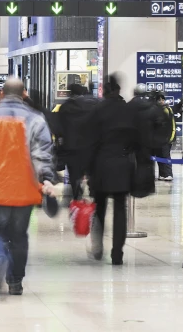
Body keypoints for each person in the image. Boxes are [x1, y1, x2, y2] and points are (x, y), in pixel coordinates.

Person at [0, 78, 55, 296]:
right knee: (19, 235)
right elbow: (42, 153)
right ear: (24, 93)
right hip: (24, 187)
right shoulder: (36, 119)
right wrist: (46, 178)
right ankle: (15, 282)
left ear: (1, 94)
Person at [87, 75, 139, 266]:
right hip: (122, 163)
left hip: (100, 164)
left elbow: (89, 140)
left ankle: (97, 246)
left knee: (99, 207)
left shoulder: (97, 110)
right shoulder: (127, 111)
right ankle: (117, 253)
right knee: (120, 208)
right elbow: (136, 138)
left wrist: (86, 168)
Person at [54, 84, 98, 200]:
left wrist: (60, 140)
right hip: (88, 145)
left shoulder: (64, 107)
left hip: (71, 146)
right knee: (90, 170)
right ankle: (93, 190)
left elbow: (59, 128)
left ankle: (76, 192)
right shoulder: (90, 106)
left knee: (74, 173)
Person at [154, 93, 176, 181]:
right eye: (159, 100)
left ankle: (169, 174)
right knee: (159, 155)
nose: (161, 101)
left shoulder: (168, 109)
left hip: (167, 138)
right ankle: (162, 174)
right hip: (157, 138)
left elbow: (173, 125)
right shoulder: (154, 110)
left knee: (166, 156)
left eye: (162, 99)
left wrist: (171, 138)